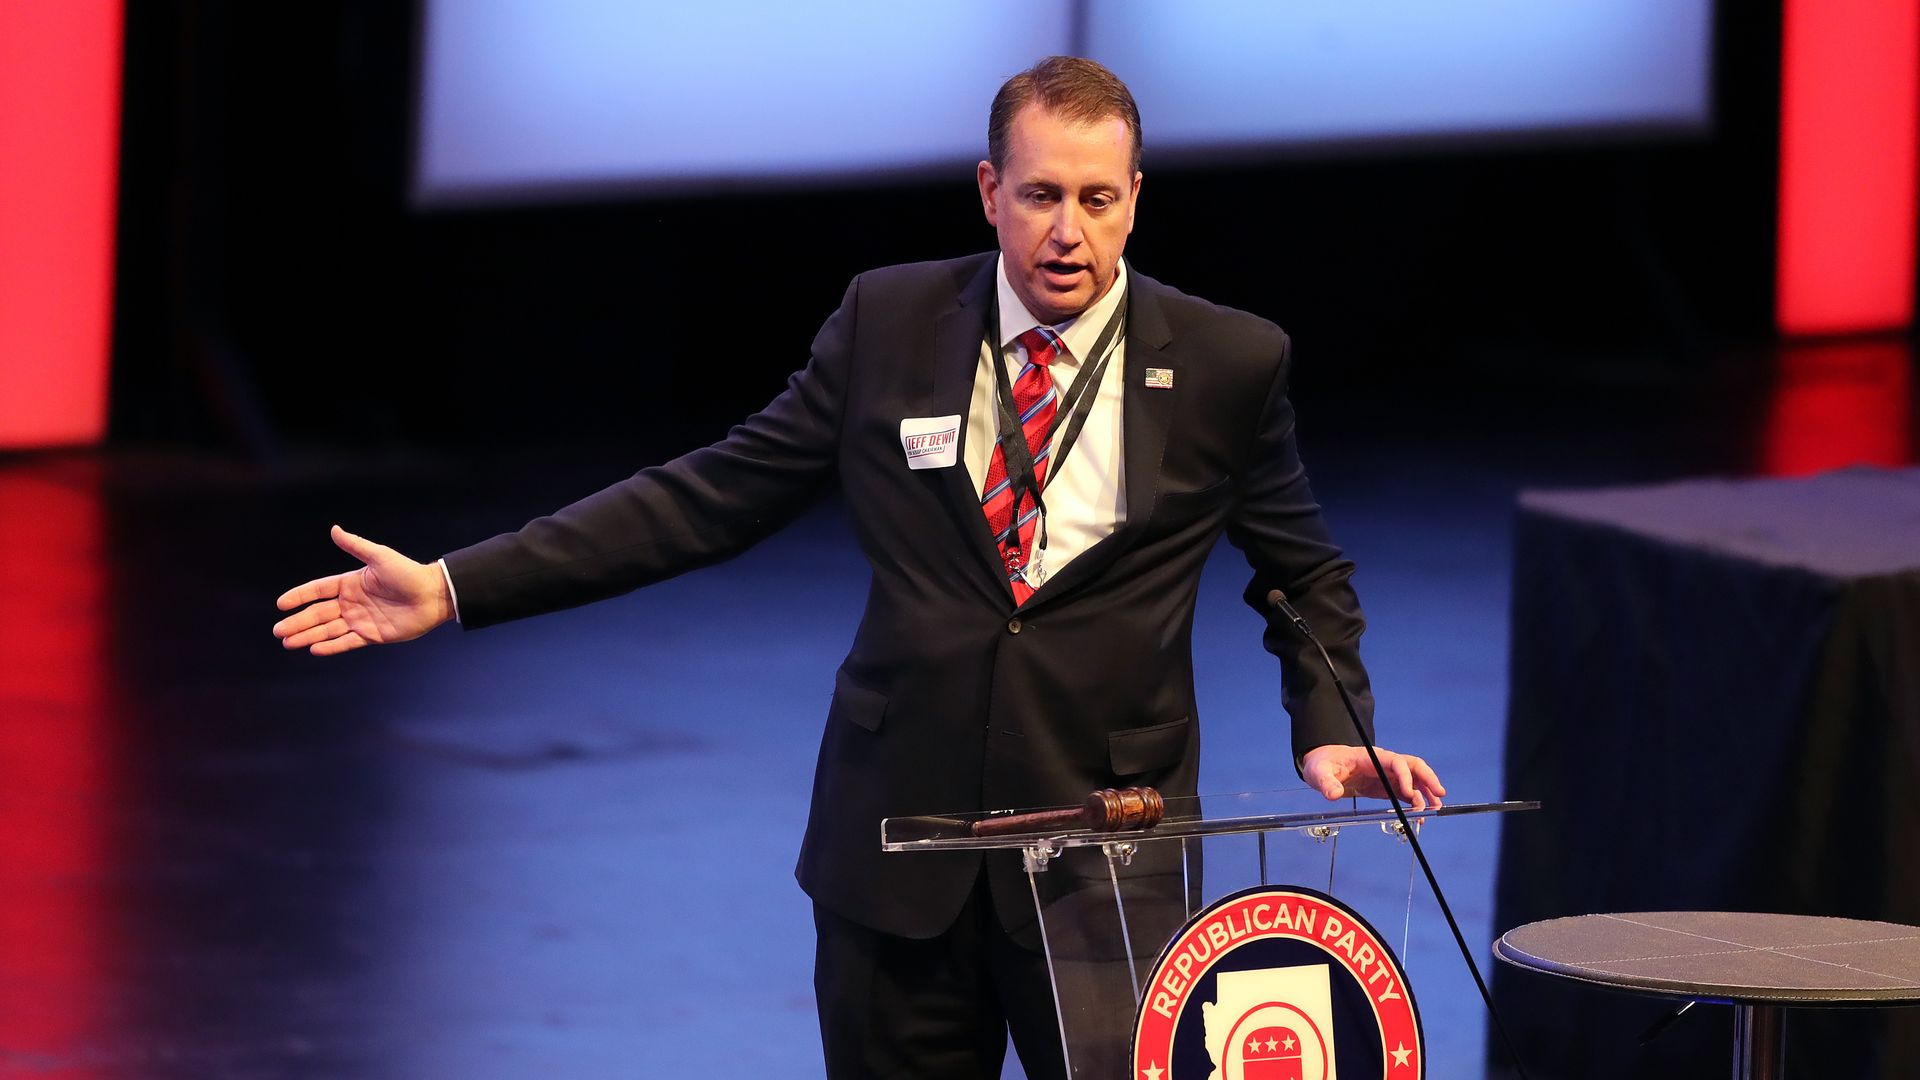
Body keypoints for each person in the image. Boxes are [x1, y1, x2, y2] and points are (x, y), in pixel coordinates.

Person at [273, 56, 1443, 1080]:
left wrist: (1328, 723)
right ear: (989, 191)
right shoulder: (889, 325)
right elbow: (709, 496)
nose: (1067, 233)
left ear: (1137, 199)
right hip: (898, 855)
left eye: (1097, 199)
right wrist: (455, 584)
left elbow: (1300, 572)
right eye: (1039, 195)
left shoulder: (1228, 362)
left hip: (1107, 866)